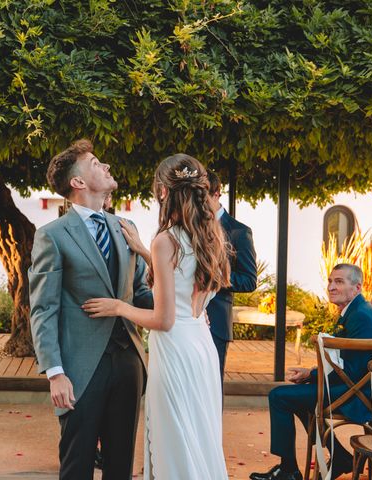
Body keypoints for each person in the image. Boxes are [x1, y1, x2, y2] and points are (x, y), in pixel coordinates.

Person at [83, 153, 232, 478]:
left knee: (174, 441)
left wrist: (118, 306)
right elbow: (186, 281)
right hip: (201, 346)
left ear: (163, 191)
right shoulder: (212, 236)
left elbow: (164, 319)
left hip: (175, 351)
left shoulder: (166, 240)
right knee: (200, 437)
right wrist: (143, 252)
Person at [29, 139, 153, 479]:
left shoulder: (127, 229)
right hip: (80, 369)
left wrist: (183, 308)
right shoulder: (52, 236)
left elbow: (139, 292)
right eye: (97, 163)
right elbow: (43, 308)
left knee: (120, 466)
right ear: (78, 182)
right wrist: (55, 373)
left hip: (129, 361)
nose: (107, 167)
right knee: (77, 465)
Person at [250, 263, 372, 480]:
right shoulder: (356, 311)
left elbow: (351, 371)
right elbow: (348, 365)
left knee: (278, 396)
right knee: (294, 398)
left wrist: (312, 376)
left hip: (361, 395)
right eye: (330, 281)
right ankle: (340, 458)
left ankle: (289, 471)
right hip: (358, 387)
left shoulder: (360, 316)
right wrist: (311, 374)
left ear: (357, 288)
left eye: (339, 281)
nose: (331, 287)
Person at [206, 170, 257, 380]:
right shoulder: (187, 228)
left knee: (212, 388)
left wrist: (217, 277)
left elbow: (249, 280)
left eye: (202, 197)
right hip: (186, 320)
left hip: (216, 323)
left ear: (216, 193)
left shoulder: (239, 232)